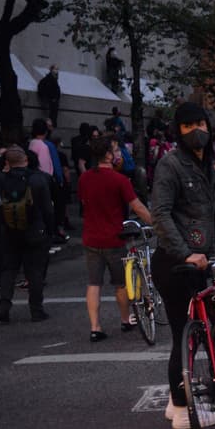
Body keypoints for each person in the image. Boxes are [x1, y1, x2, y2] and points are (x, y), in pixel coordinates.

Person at [150, 102, 215, 429]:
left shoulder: (205, 162)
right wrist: (184, 253)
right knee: (183, 335)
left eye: (200, 123)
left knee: (202, 329)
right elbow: (160, 213)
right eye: (188, 126)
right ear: (178, 130)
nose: (196, 131)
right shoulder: (170, 164)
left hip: (199, 261)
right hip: (175, 263)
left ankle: (175, 399)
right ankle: (180, 409)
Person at [79, 136, 153, 340]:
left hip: (91, 237)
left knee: (94, 283)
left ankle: (95, 326)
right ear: (108, 155)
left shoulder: (84, 178)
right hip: (114, 238)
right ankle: (124, 319)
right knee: (120, 284)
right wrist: (157, 223)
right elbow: (137, 206)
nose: (118, 154)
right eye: (115, 150)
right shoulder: (120, 180)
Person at [0, 145, 54, 324]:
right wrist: (51, 230)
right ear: (26, 159)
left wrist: (4, 160)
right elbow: (48, 209)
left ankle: (4, 304)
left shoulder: (2, 179)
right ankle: (36, 310)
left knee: (9, 269)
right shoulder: (38, 180)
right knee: (34, 271)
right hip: (34, 230)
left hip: (10, 231)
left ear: (8, 162)